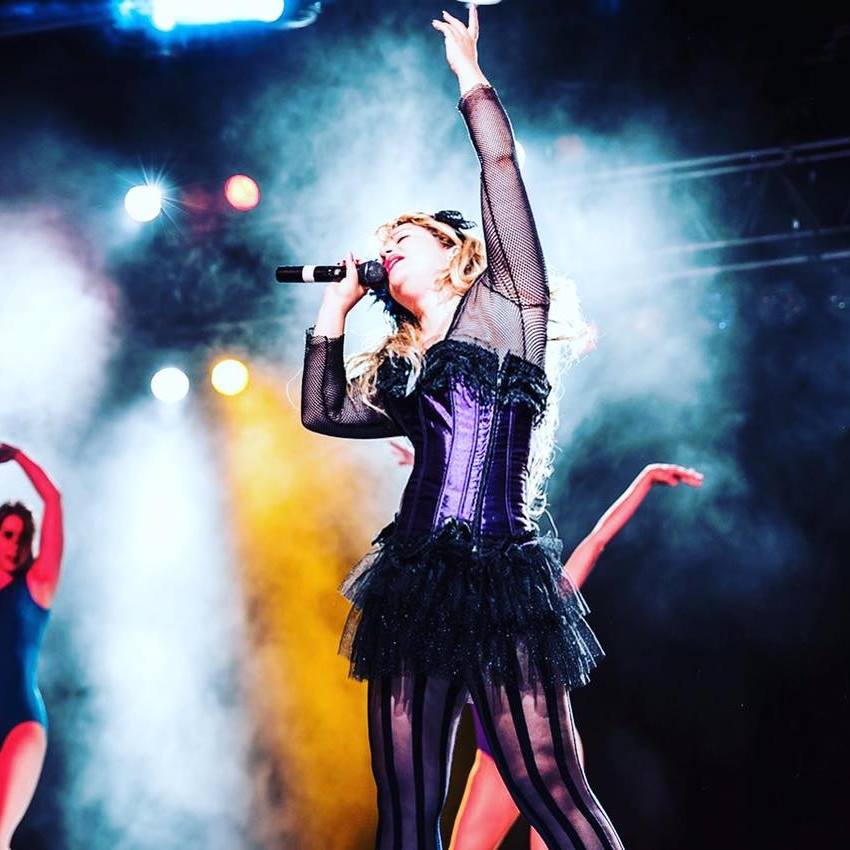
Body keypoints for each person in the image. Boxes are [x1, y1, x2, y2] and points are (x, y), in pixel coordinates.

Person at [301, 7, 625, 848]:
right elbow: (324, 411)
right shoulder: (411, 372)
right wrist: (333, 313)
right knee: (407, 810)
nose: (387, 248)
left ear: (453, 250)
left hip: (501, 573)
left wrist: (470, 77)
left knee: (551, 788)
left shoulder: (511, 305)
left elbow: (501, 167)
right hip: (414, 581)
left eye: (403, 236)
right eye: (382, 244)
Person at [448, 464, 703, 850]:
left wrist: (646, 478)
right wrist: (430, 470)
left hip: (549, 760)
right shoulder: (460, 615)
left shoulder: (545, 604)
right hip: (495, 761)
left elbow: (596, 541)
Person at [0, 444, 62, 850]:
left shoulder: (37, 585)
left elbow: (52, 501)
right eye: (7, 534)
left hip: (20, 722)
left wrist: (19, 457)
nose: (15, 544)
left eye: (24, 537)